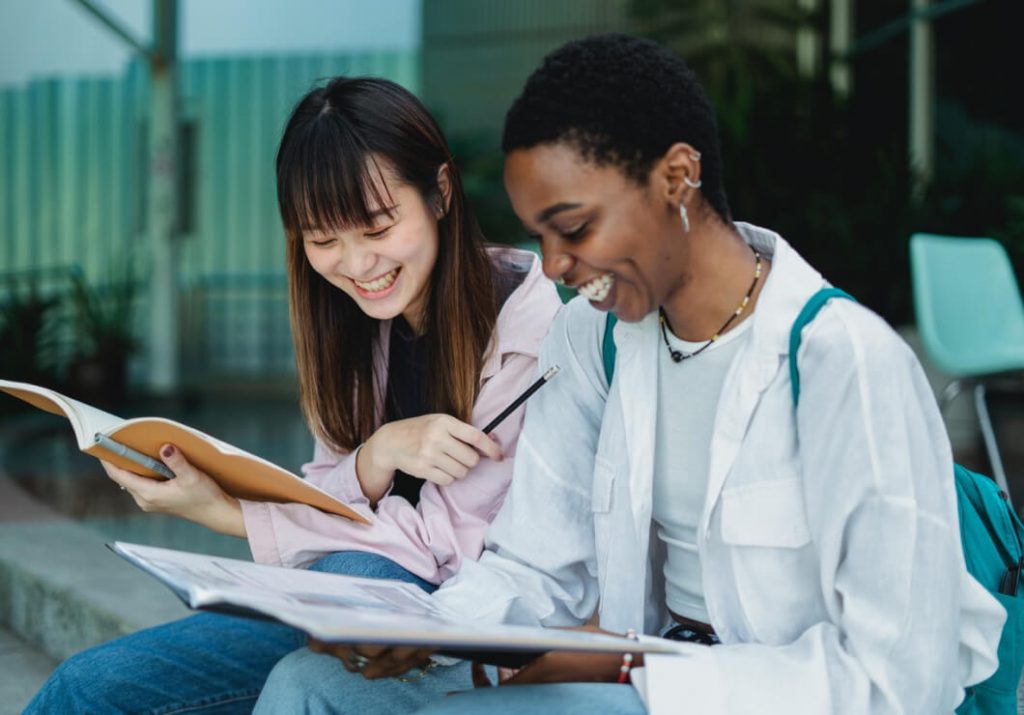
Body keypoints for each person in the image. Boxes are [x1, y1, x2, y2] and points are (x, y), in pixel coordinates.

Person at [254, 35, 1006, 715]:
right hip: (627, 677)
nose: (551, 267)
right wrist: (421, 630)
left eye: (574, 227)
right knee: (306, 685)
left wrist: (632, 670)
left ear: (678, 179)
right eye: (539, 234)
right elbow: (534, 567)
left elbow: (900, 680)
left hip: (741, 696)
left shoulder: (846, 365)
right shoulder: (594, 340)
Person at [25, 76, 560, 714]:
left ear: (440, 193)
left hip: (452, 632)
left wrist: (226, 513)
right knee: (87, 687)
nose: (357, 264)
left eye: (376, 227)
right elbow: (322, 492)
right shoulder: (356, 327)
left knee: (347, 595)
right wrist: (371, 460)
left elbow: (442, 547)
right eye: (323, 240)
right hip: (345, 598)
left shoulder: (531, 335)